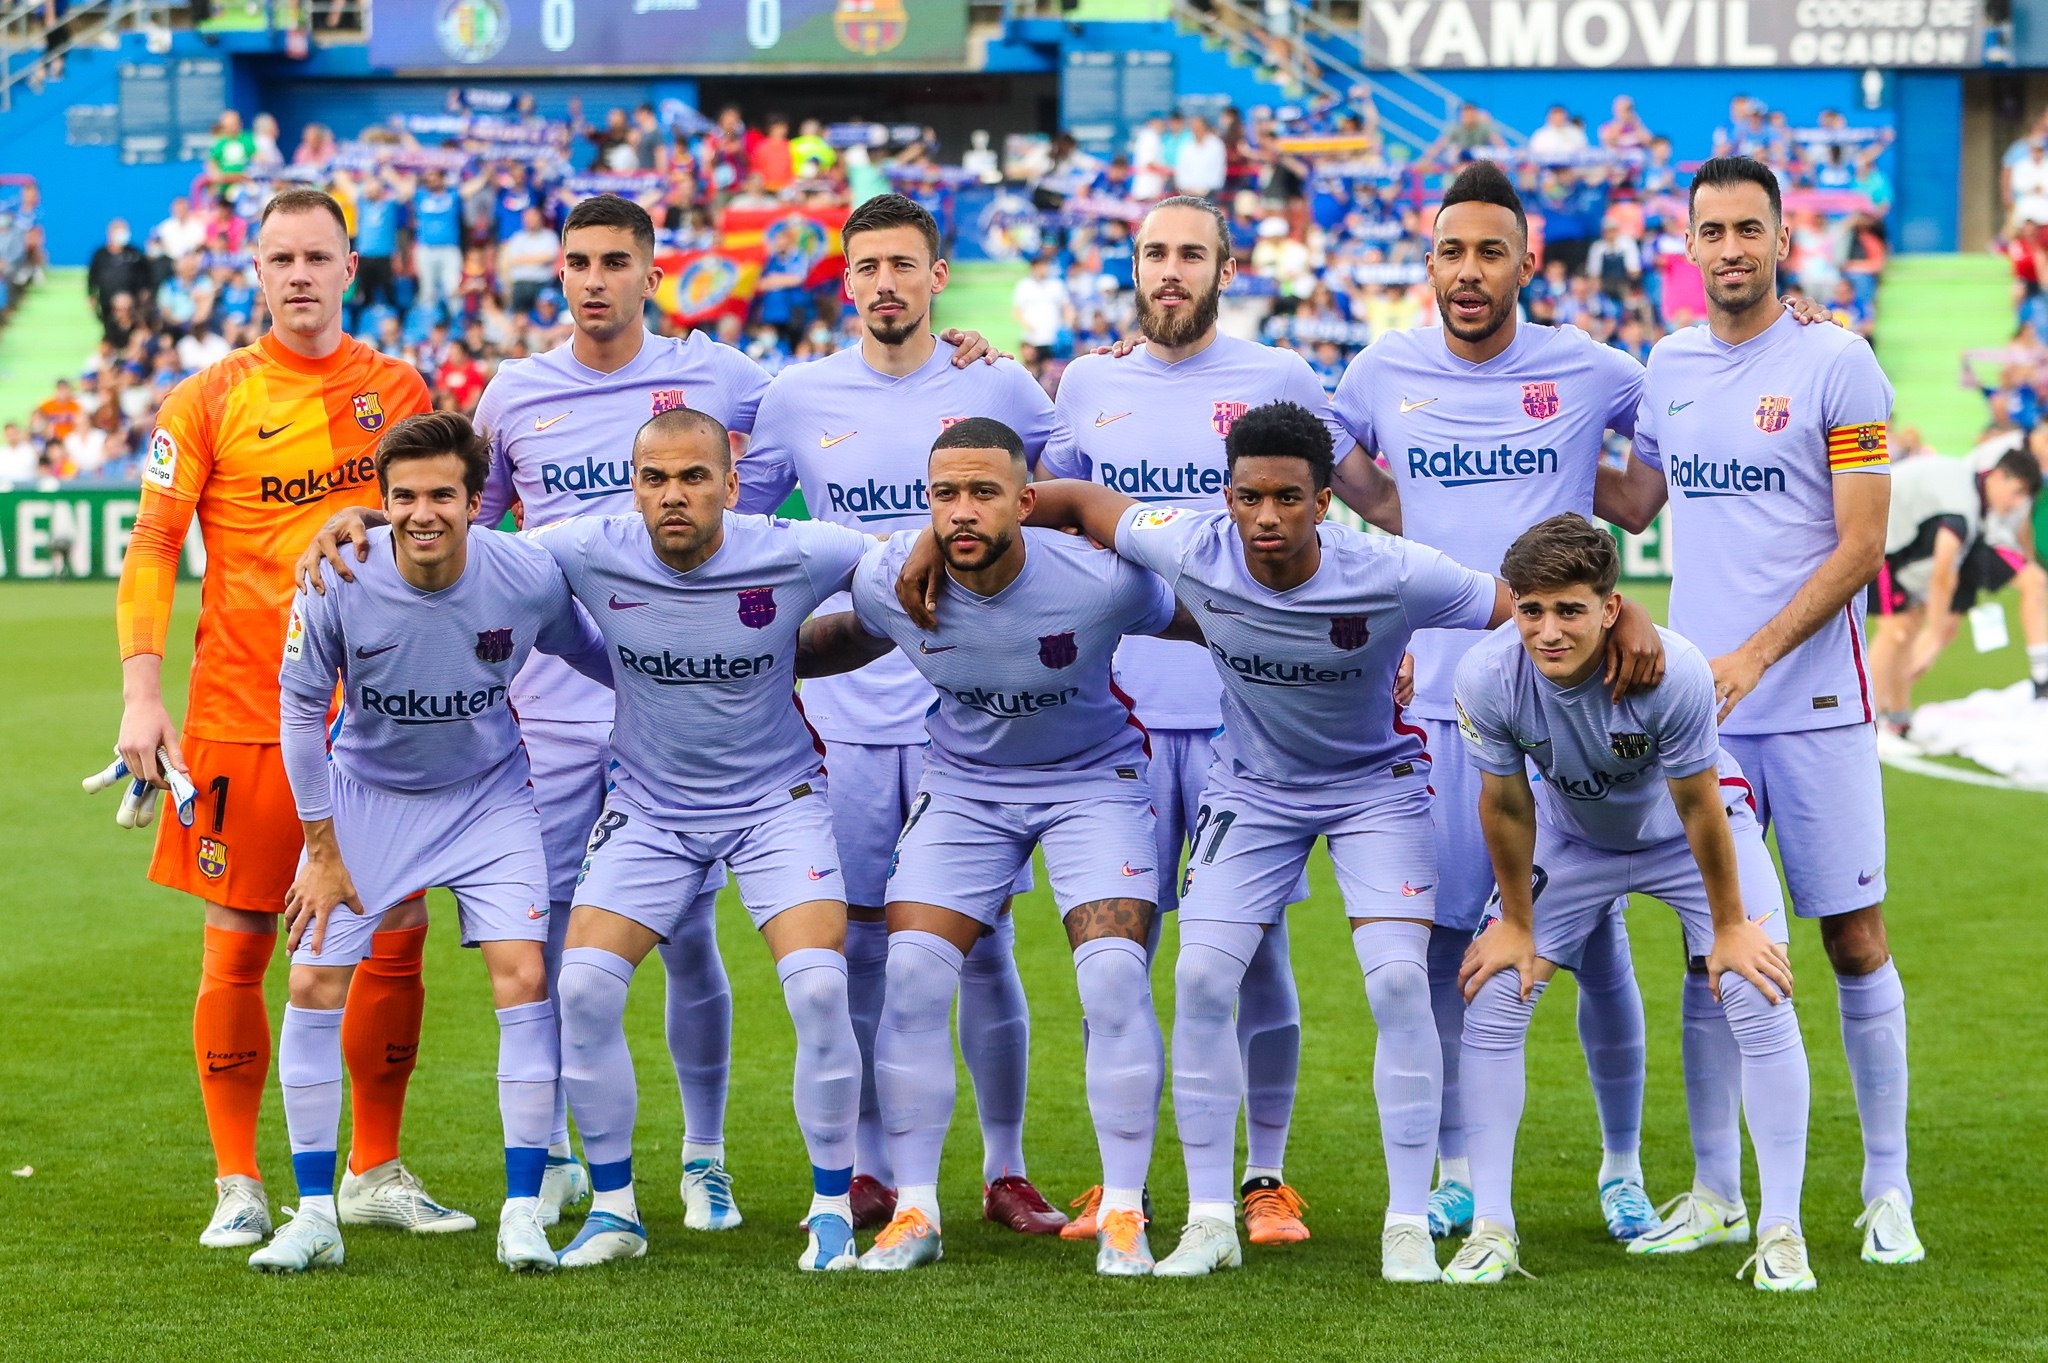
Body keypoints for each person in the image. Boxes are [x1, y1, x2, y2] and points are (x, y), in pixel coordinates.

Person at [299, 192, 1000, 1235]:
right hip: (546, 711)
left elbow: (847, 388)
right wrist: (364, 515)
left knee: (684, 940)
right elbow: (462, 533)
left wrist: (951, 353)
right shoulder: (513, 391)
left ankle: (704, 1155)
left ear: (648, 271)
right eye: (575, 261)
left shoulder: (722, 376)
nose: (591, 279)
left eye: (613, 260)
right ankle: (569, 1167)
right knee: (544, 955)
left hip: (687, 712)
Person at [1006, 401, 1514, 1282]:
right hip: (1252, 790)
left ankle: (1404, 1221)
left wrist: (1617, 632)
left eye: (1288, 497)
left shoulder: (1395, 571)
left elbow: (1520, 611)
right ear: (1227, 495)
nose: (1267, 517)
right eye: (1249, 496)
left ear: (1326, 502)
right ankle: (1210, 1219)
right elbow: (1084, 503)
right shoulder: (1189, 544)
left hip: (1375, 790)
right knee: (1200, 977)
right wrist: (956, 530)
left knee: (1398, 982)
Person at [1329, 161, 1667, 1245]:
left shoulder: (1589, 367)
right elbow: (1353, 484)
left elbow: (1657, 462)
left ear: (1527, 261)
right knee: (1444, 942)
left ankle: (1621, 1166)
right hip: (1436, 701)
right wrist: (1397, 596)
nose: (1467, 273)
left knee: (1597, 940)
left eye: (1488, 252)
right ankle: (1454, 1164)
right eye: (1448, 252)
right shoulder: (1381, 368)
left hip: (1566, 699)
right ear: (1426, 262)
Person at [112, 188, 449, 1250]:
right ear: (254, 272)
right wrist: (139, 691)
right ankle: (238, 1178)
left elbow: (441, 527)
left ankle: (373, 1167)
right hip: (240, 716)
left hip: (381, 718)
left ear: (352, 267)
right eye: (279, 258)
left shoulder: (396, 388)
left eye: (318, 256)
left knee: (394, 935)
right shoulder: (207, 397)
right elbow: (154, 547)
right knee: (241, 944)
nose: (298, 274)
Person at [1601, 155, 1921, 1267]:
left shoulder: (1839, 361)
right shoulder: (1666, 363)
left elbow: (1861, 544)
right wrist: (1500, 445)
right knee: (1711, 947)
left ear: (1782, 239)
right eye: (1710, 231)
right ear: (1684, 247)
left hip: (1815, 700)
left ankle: (1886, 1187)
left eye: (1749, 228)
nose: (1729, 248)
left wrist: (1750, 653)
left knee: (1850, 937)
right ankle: (1713, 1189)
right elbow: (1634, 497)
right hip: (1707, 713)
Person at [734, 193, 1064, 1236]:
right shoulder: (796, 396)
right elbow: (745, 530)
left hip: (976, 705)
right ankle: (872, 1168)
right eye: (865, 265)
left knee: (986, 941)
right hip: (844, 707)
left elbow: (1062, 506)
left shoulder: (995, 382)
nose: (883, 282)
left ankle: (1004, 1168)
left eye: (901, 265)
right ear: (847, 279)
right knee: (866, 943)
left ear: (936, 276)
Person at [1035, 194, 1348, 1246]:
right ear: (1130, 267)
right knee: (1110, 941)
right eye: (1153, 253)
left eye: (1190, 254)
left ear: (1226, 264)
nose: (1170, 270)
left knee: (1248, 952)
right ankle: (1119, 1177)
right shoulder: (1087, 381)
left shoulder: (1280, 380)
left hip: (1240, 714)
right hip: (1109, 716)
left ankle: (1263, 1176)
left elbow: (1320, 535)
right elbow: (1057, 524)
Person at [802, 417, 1183, 1275]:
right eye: (945, 495)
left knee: (1116, 972)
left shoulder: (1102, 582)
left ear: (1025, 499)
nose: (962, 512)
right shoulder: (885, 579)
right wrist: (727, 662)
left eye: (983, 493)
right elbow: (841, 642)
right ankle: (918, 1210)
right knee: (908, 974)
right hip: (966, 790)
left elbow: (1207, 621)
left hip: (1094, 781)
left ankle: (1124, 1212)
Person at [256, 411, 610, 1274]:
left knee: (526, 974)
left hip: (488, 798)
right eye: (404, 496)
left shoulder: (524, 573)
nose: (424, 513)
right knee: (310, 977)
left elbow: (599, 653)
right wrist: (322, 848)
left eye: (443, 495)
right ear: (380, 502)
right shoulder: (336, 575)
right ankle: (313, 1213)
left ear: (475, 499)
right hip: (366, 800)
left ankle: (522, 1210)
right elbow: (301, 712)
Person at [526, 407, 866, 1273]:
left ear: (731, 481)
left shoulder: (799, 550)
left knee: (823, 989)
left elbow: (912, 556)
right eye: (655, 479)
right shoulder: (589, 546)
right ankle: (613, 1209)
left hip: (774, 802)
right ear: (633, 485)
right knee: (586, 988)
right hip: (649, 806)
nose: (674, 495)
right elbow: (466, 547)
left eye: (693, 477)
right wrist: (368, 520)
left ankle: (831, 1208)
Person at [1443, 514, 1813, 1290]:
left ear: (1610, 608)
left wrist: (1731, 927)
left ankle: (1782, 1228)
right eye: (1531, 609)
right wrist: (1515, 924)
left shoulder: (1670, 669)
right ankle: (1493, 1230)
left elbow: (1701, 806)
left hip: (1686, 834)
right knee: (1494, 997)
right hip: (1573, 839)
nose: (1547, 630)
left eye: (1569, 609)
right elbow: (1506, 807)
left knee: (1757, 986)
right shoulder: (1485, 674)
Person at [1869, 449, 2043, 725]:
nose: (2017, 503)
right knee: (1896, 631)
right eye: (2016, 491)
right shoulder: (1962, 509)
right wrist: (1936, 635)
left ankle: (1898, 719)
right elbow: (1943, 573)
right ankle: (1871, 722)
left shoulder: (1971, 495)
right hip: (1873, 541)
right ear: (1998, 476)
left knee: (1909, 626)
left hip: (1887, 543)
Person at [410, 169, 465, 319]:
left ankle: (457, 322)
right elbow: (402, 187)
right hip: (426, 249)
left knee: (453, 288)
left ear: (442, 178)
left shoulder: (453, 195)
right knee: (427, 290)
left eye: (434, 176)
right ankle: (428, 322)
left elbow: (471, 189)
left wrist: (486, 172)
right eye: (428, 178)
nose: (431, 180)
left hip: (449, 249)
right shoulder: (420, 195)